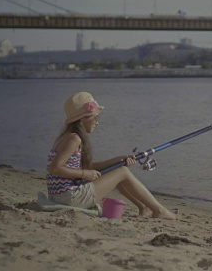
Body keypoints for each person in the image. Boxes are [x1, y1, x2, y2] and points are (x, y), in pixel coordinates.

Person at [46, 92, 177, 219]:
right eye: (95, 117)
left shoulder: (67, 137)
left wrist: (116, 161)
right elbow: (55, 168)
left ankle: (144, 207)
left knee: (118, 169)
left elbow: (84, 166)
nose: (97, 122)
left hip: (60, 195)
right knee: (123, 172)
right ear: (82, 119)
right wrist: (84, 174)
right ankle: (159, 210)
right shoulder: (74, 139)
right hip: (70, 197)